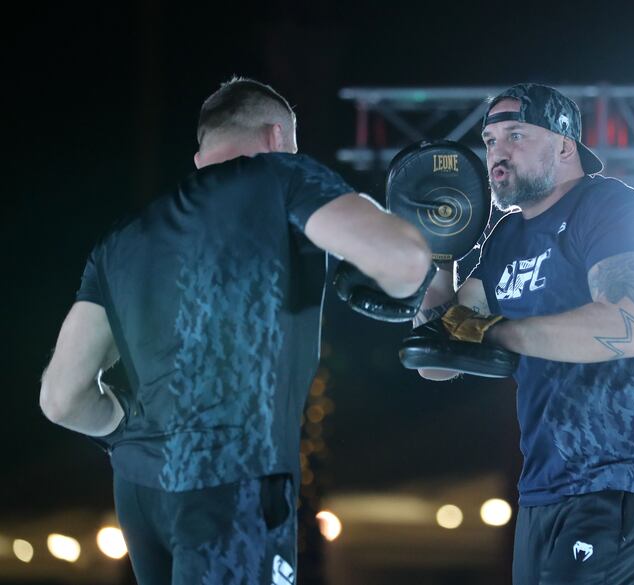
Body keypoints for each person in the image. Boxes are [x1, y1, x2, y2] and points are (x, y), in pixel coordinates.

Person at [39, 77, 432, 585]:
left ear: (203, 155)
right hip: (234, 487)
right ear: (275, 138)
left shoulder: (122, 239)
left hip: (141, 493)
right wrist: (419, 247)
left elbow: (61, 398)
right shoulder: (279, 174)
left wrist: (130, 434)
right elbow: (403, 261)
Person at [415, 83, 634, 585]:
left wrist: (497, 331)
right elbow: (438, 359)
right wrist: (439, 254)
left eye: (515, 134)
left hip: (624, 474)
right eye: (491, 140)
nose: (497, 152)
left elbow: (626, 327)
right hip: (544, 485)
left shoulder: (611, 208)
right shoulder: (506, 239)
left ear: (564, 145)